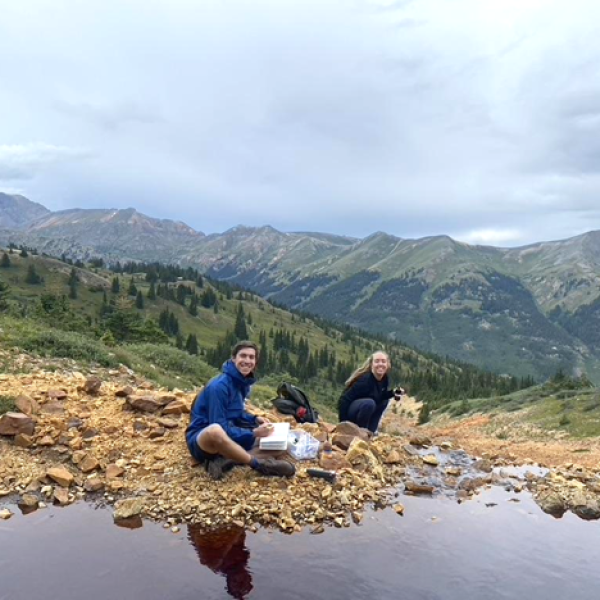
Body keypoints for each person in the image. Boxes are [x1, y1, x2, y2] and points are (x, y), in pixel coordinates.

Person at [185, 340, 295, 479]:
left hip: (228, 432)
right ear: (233, 358)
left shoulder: (241, 382)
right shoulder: (219, 386)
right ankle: (257, 464)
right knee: (215, 431)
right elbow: (219, 426)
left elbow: (236, 412)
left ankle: (228, 460)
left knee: (281, 447)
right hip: (203, 440)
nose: (247, 361)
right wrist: (253, 433)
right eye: (243, 356)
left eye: (251, 357)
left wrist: (254, 419)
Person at [338, 350, 404, 433]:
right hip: (352, 413)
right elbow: (344, 399)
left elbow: (380, 396)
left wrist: (393, 392)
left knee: (384, 401)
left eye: (383, 361)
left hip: (364, 409)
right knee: (369, 403)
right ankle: (361, 432)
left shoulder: (384, 378)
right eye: (377, 361)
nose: (380, 364)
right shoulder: (365, 380)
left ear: (387, 365)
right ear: (371, 364)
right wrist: (343, 423)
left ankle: (370, 432)